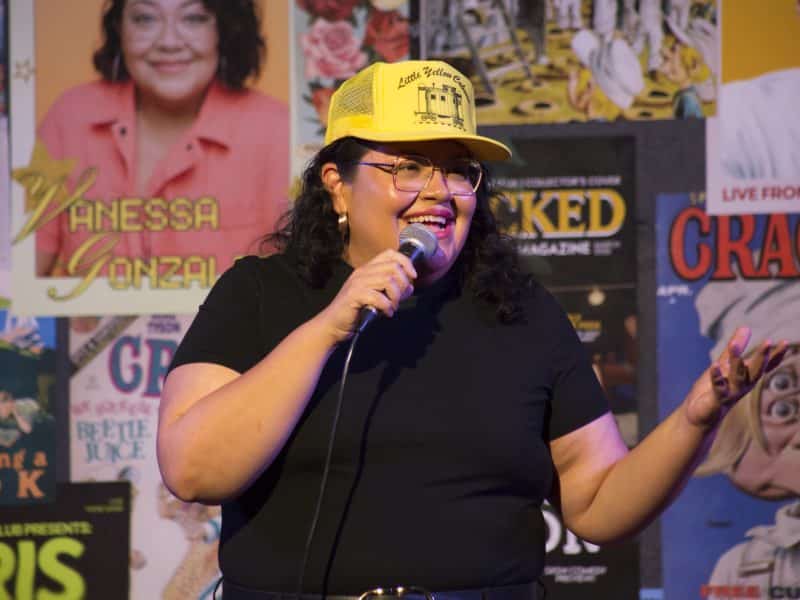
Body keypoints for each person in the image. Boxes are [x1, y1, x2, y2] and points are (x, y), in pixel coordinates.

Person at [157, 59, 788, 600]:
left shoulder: (522, 313)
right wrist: (326, 329)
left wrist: (697, 421)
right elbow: (192, 470)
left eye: (458, 169)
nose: (440, 191)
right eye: (409, 166)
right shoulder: (259, 294)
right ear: (338, 187)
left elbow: (598, 504)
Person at [34, 0, 289, 277]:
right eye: (146, 18)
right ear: (119, 27)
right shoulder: (70, 116)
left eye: (193, 18)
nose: (169, 42)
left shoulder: (277, 131)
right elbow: (21, 276)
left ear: (225, 28)